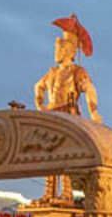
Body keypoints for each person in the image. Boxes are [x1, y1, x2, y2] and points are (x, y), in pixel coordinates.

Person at [34, 15, 101, 200]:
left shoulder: (77, 71)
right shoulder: (52, 71)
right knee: (49, 156)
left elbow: (89, 89)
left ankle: (66, 193)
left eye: (60, 48)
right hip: (52, 115)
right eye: (57, 48)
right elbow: (38, 86)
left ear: (70, 51)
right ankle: (48, 192)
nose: (57, 52)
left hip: (68, 114)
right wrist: (40, 104)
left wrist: (93, 111)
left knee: (66, 156)